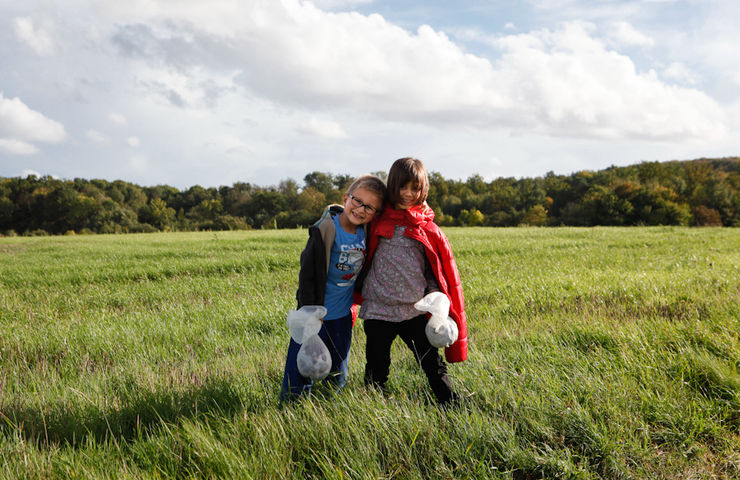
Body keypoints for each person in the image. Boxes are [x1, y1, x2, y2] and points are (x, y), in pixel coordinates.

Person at [356, 157, 468, 406]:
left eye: (415, 188)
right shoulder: (376, 220)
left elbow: (434, 269)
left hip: (414, 310)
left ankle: (450, 402)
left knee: (431, 362)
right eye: (402, 187)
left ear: (423, 189)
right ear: (392, 186)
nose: (408, 194)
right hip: (379, 310)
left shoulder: (425, 227)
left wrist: (436, 298)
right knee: (376, 364)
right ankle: (374, 408)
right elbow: (352, 218)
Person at [280, 174, 386, 402]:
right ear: (346, 198)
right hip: (313, 315)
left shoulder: (365, 233)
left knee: (338, 369)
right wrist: (308, 312)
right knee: (301, 368)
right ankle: (290, 407)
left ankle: (329, 406)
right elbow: (307, 274)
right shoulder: (326, 229)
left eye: (370, 207)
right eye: (358, 201)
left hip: (342, 318)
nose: (361, 209)